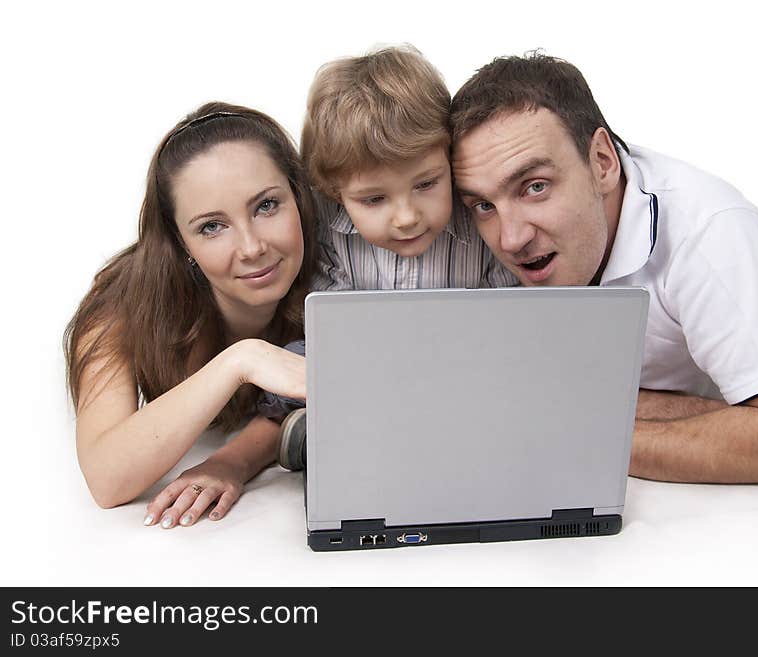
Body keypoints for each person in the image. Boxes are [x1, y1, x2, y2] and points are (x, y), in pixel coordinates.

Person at [450, 53, 758, 485]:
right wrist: (723, 419)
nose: (510, 239)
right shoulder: (467, 233)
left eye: (535, 187)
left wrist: (573, 433)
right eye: (484, 204)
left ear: (601, 161)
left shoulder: (709, 228)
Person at [261, 45, 519, 469]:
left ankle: (387, 427)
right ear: (334, 192)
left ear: (449, 159)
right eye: (374, 199)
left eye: (427, 184)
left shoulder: (479, 215)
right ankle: (337, 425)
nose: (406, 217)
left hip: (466, 360)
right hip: (367, 362)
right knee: (297, 359)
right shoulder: (325, 221)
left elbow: (508, 318)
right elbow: (334, 323)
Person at [64, 102, 316, 527]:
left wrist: (233, 462)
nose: (252, 247)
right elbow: (106, 479)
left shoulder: (336, 270)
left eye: (267, 206)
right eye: (211, 227)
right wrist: (241, 361)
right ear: (181, 244)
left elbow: (298, 407)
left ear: (299, 196)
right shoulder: (120, 307)